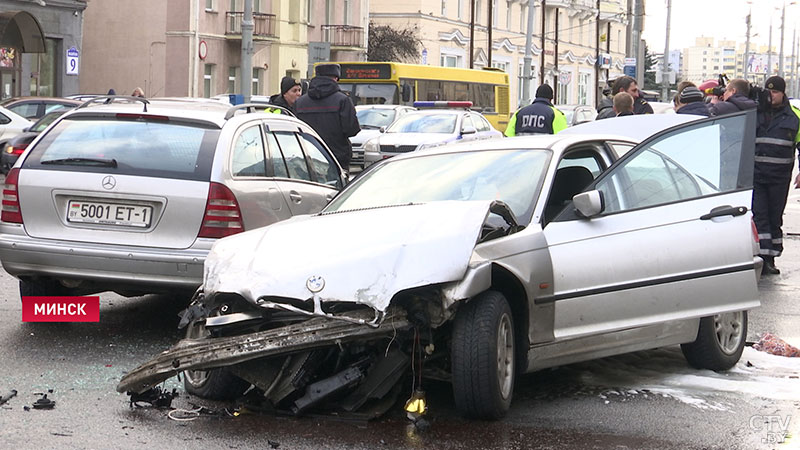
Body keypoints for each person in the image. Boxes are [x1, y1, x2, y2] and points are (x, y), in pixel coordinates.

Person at [753, 76, 800, 274]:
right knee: (760, 216)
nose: (771, 96)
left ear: (783, 93)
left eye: (775, 92)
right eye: (768, 91)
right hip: (756, 175)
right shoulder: (755, 111)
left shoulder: (794, 117)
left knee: (774, 217)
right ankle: (763, 258)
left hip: (779, 178)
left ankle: (771, 257)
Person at [295, 64, 360, 170]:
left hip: (306, 157)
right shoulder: (342, 100)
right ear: (335, 78)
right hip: (336, 158)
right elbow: (352, 130)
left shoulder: (300, 102)